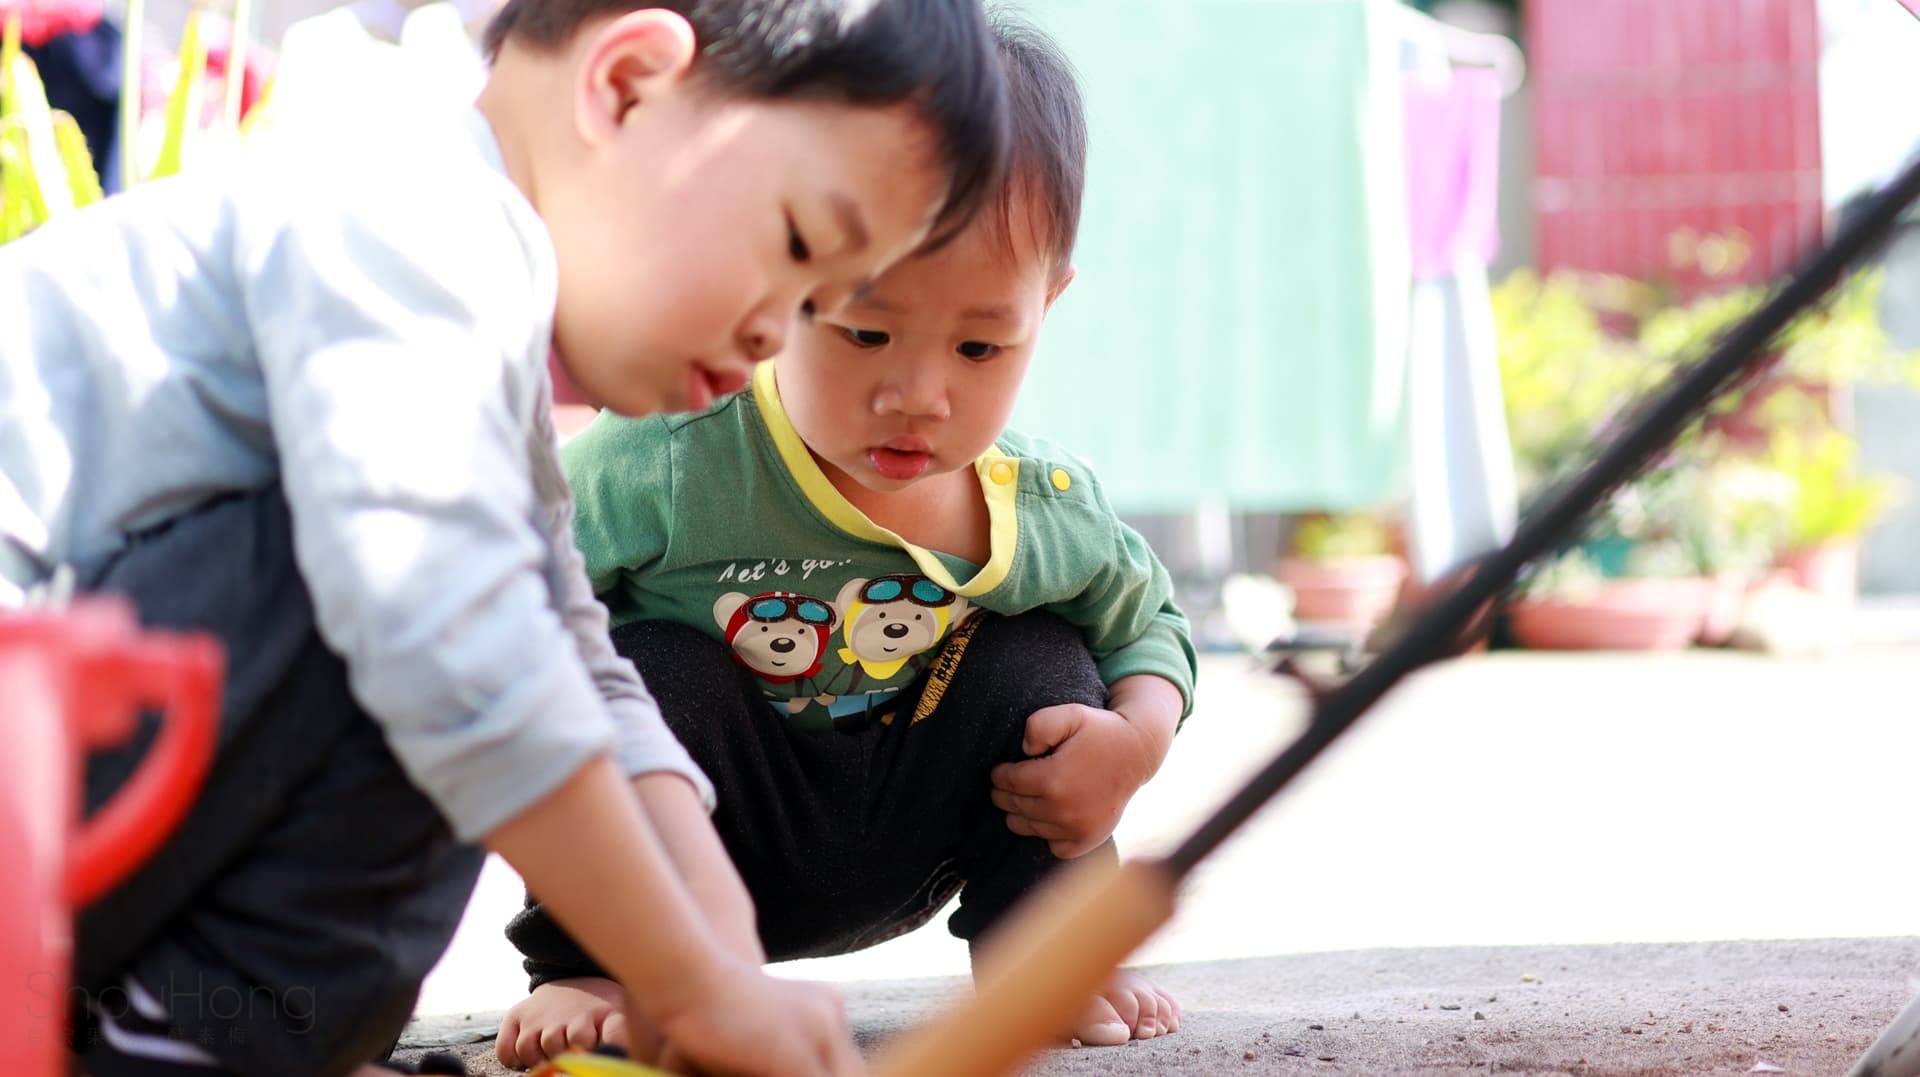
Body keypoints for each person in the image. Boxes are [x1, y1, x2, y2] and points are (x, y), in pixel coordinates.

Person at [0, 0, 1009, 1073]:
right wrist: (688, 983)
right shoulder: (408, 211)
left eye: (817, 300)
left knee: (481, 630)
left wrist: (721, 956)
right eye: (799, 246)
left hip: (55, 792)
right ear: (624, 87)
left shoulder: (466, 298)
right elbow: (453, 630)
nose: (775, 331)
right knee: (422, 625)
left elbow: (579, 656)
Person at [499, 16, 1194, 1069]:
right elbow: (516, 616)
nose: (916, 394)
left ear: (1046, 305)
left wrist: (1134, 746)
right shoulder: (673, 455)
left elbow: (1151, 632)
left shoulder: (1041, 504)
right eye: (866, 331)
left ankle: (1042, 951)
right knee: (639, 670)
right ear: (799, 271)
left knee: (1045, 663)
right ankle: (590, 962)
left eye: (979, 344)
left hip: (903, 836)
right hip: (694, 855)